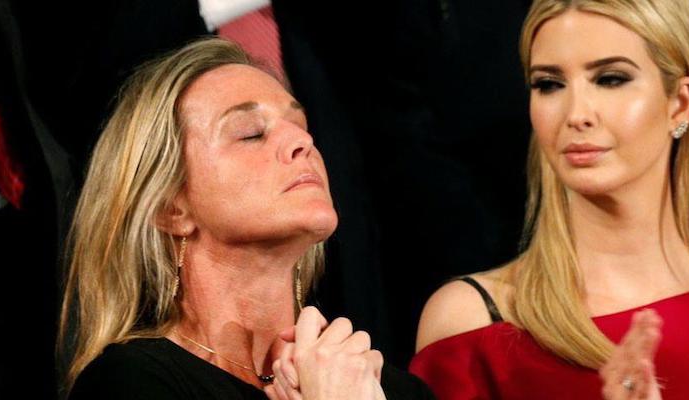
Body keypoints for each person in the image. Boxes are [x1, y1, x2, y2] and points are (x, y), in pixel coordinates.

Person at [58, 38, 434, 400]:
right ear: (170, 208)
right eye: (251, 134)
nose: (302, 143)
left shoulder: (389, 388)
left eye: (302, 127)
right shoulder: (130, 383)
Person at [411, 0, 689, 399]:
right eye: (549, 84)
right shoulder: (473, 324)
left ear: (680, 104)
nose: (576, 113)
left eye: (610, 79)